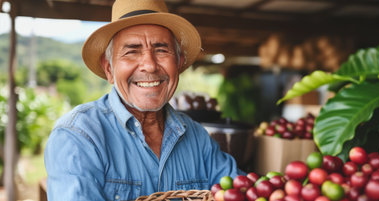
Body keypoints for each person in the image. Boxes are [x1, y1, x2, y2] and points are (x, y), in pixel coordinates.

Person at [44, 0, 242, 200]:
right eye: (131, 51)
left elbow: (242, 191)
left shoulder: (196, 137)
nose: (149, 65)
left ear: (179, 63)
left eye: (161, 50)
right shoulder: (79, 136)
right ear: (109, 68)